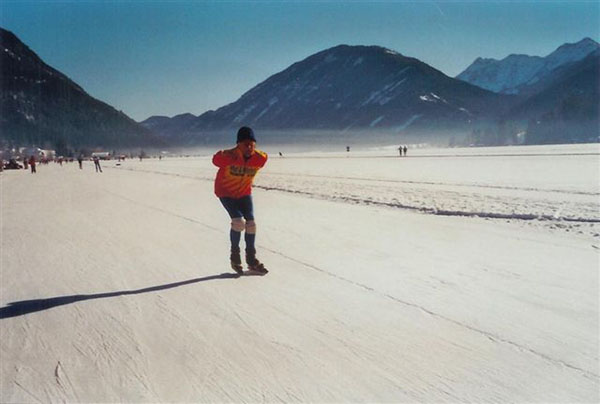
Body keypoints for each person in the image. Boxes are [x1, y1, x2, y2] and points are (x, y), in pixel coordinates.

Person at [213, 126, 268, 275]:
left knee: (251, 224)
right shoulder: (229, 156)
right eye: (245, 144)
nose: (249, 147)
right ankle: (235, 256)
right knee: (238, 223)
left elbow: (264, 157)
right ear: (238, 144)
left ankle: (251, 259)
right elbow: (215, 160)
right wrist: (227, 154)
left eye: (252, 144)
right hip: (225, 192)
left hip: (244, 192)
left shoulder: (260, 158)